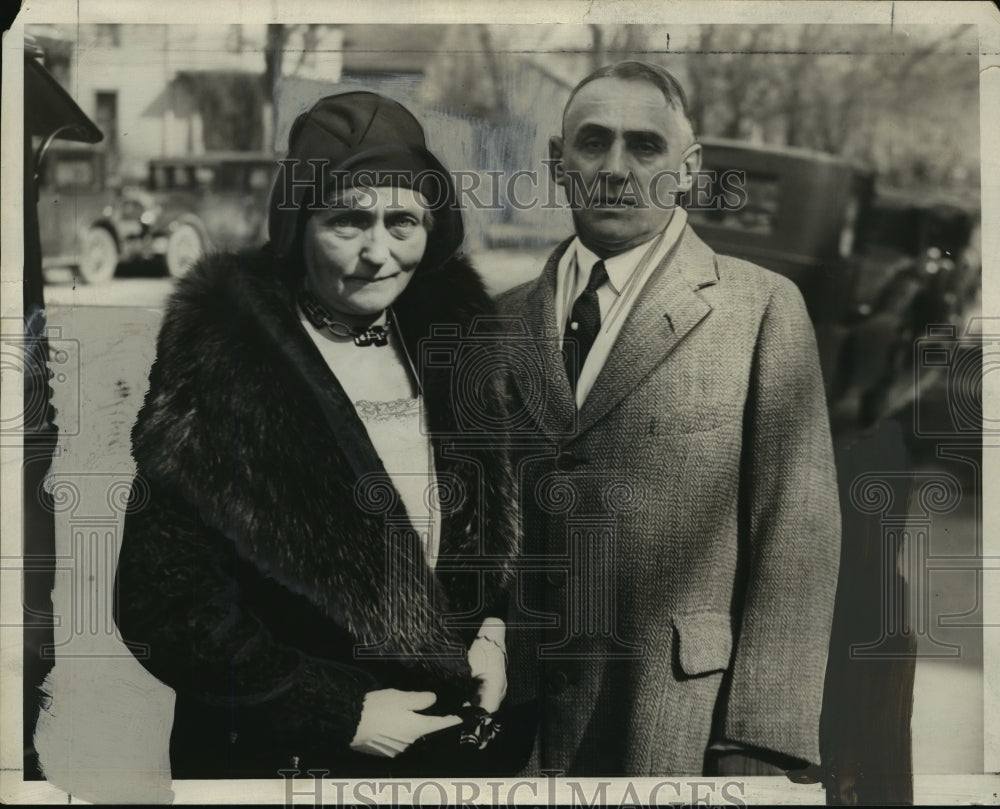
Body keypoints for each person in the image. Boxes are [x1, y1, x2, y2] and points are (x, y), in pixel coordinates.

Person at [113, 92, 519, 778]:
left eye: (403, 222)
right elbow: (165, 603)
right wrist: (340, 711)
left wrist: (494, 633)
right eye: (348, 221)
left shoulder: (454, 346)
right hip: (280, 760)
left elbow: (486, 536)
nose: (377, 253)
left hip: (439, 762)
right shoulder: (224, 358)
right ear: (298, 224)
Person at [497, 61, 841, 776]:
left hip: (676, 724)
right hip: (517, 731)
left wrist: (759, 745)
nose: (615, 169)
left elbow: (797, 540)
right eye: (592, 143)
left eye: (645, 147)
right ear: (557, 164)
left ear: (687, 169)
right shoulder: (499, 319)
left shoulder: (759, 308)